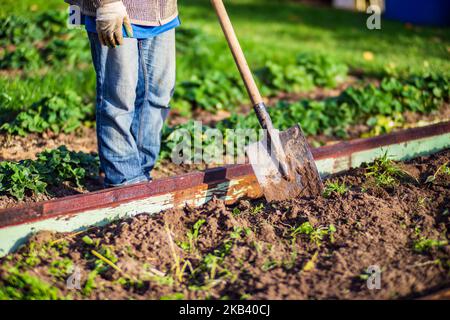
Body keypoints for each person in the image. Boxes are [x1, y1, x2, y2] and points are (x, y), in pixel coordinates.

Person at [65, 0, 179, 187]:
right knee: (119, 97)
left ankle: (141, 171)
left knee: (158, 94)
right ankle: (124, 179)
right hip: (118, 9)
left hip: (161, 11)